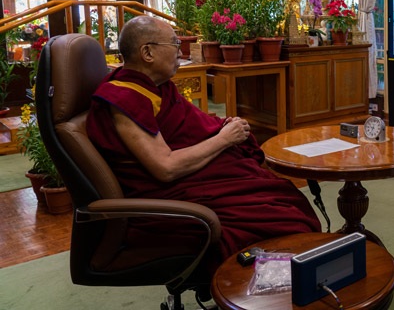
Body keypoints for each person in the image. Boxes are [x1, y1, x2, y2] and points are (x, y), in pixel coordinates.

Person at [85, 16, 321, 273]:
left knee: (282, 196)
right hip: (169, 198)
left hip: (200, 180)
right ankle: (264, 286)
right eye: (175, 43)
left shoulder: (155, 87)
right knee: (285, 219)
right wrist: (224, 138)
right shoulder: (124, 98)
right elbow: (165, 168)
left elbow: (192, 125)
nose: (180, 50)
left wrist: (222, 126)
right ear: (147, 52)